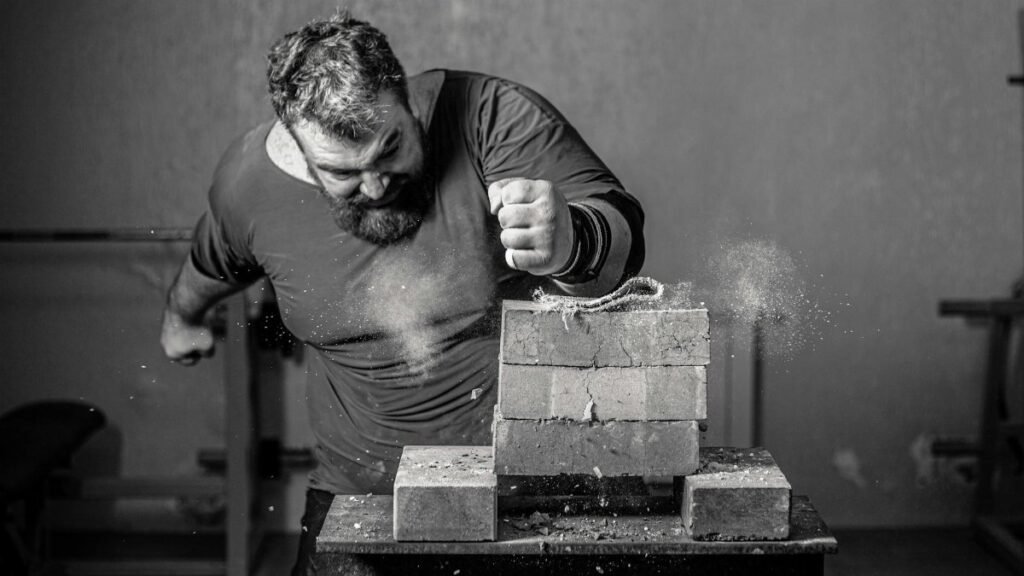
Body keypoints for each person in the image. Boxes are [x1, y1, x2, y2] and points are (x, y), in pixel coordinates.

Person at [159, 12, 644, 575]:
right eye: (343, 173)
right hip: (358, 493)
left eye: (390, 149)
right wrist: (180, 318)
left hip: (530, 486)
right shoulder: (249, 185)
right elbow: (212, 262)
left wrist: (575, 241)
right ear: (296, 146)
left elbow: (624, 243)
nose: (374, 186)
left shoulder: (492, 117)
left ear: (408, 100)